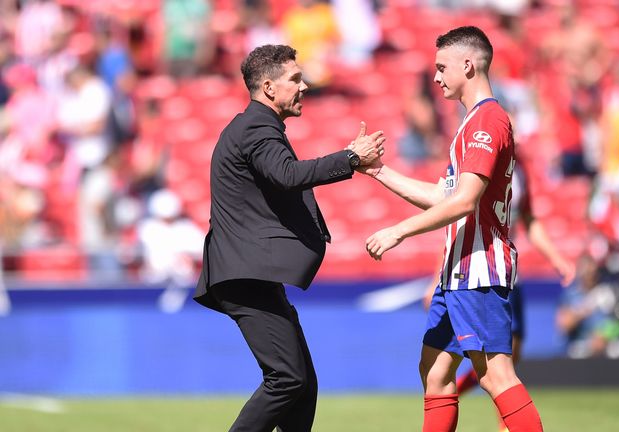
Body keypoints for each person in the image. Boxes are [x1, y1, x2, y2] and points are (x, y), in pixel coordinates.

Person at [357, 26, 543, 431]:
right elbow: (446, 195)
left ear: (468, 65)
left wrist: (398, 232)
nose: (437, 77)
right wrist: (378, 171)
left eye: (442, 67)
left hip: (477, 268)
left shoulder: (487, 122)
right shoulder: (472, 123)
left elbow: (464, 201)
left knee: (496, 376)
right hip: (457, 271)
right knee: (435, 372)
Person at [193, 44, 385, 432]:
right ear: (268, 87)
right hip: (245, 276)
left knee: (302, 385)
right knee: (288, 379)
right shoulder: (257, 127)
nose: (304, 86)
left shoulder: (256, 126)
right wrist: (350, 158)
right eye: (295, 79)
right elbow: (287, 175)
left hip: (253, 276)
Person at [422, 158, 575, 432]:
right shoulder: (478, 160)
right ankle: (505, 423)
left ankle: (505, 421)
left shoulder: (519, 170)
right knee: (487, 368)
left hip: (505, 271)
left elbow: (528, 219)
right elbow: (457, 225)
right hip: (473, 272)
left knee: (506, 359)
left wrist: (556, 259)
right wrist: (436, 279)